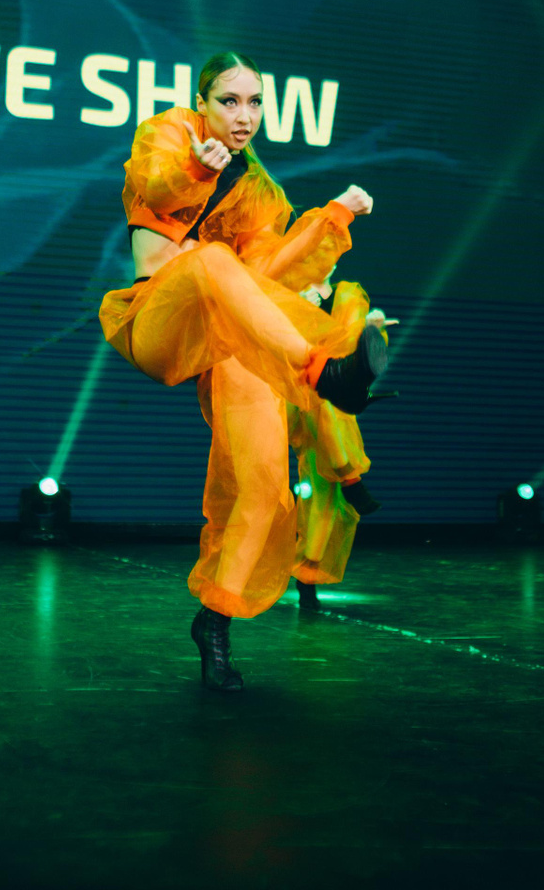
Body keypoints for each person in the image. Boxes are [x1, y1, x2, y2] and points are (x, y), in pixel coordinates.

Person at [99, 51, 386, 690]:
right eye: (230, 101)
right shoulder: (169, 133)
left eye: (255, 102)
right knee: (209, 261)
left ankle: (216, 620)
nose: (244, 115)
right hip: (156, 321)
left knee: (266, 486)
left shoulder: (259, 189)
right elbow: (159, 184)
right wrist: (198, 167)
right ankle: (323, 371)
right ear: (202, 101)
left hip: (225, 334)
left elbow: (269, 273)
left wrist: (334, 217)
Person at [289, 276, 392, 608]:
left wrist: (374, 330)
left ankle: (308, 574)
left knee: (324, 499)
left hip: (334, 406)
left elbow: (359, 352)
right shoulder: (289, 288)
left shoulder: (347, 296)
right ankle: (351, 478)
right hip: (301, 396)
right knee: (321, 404)